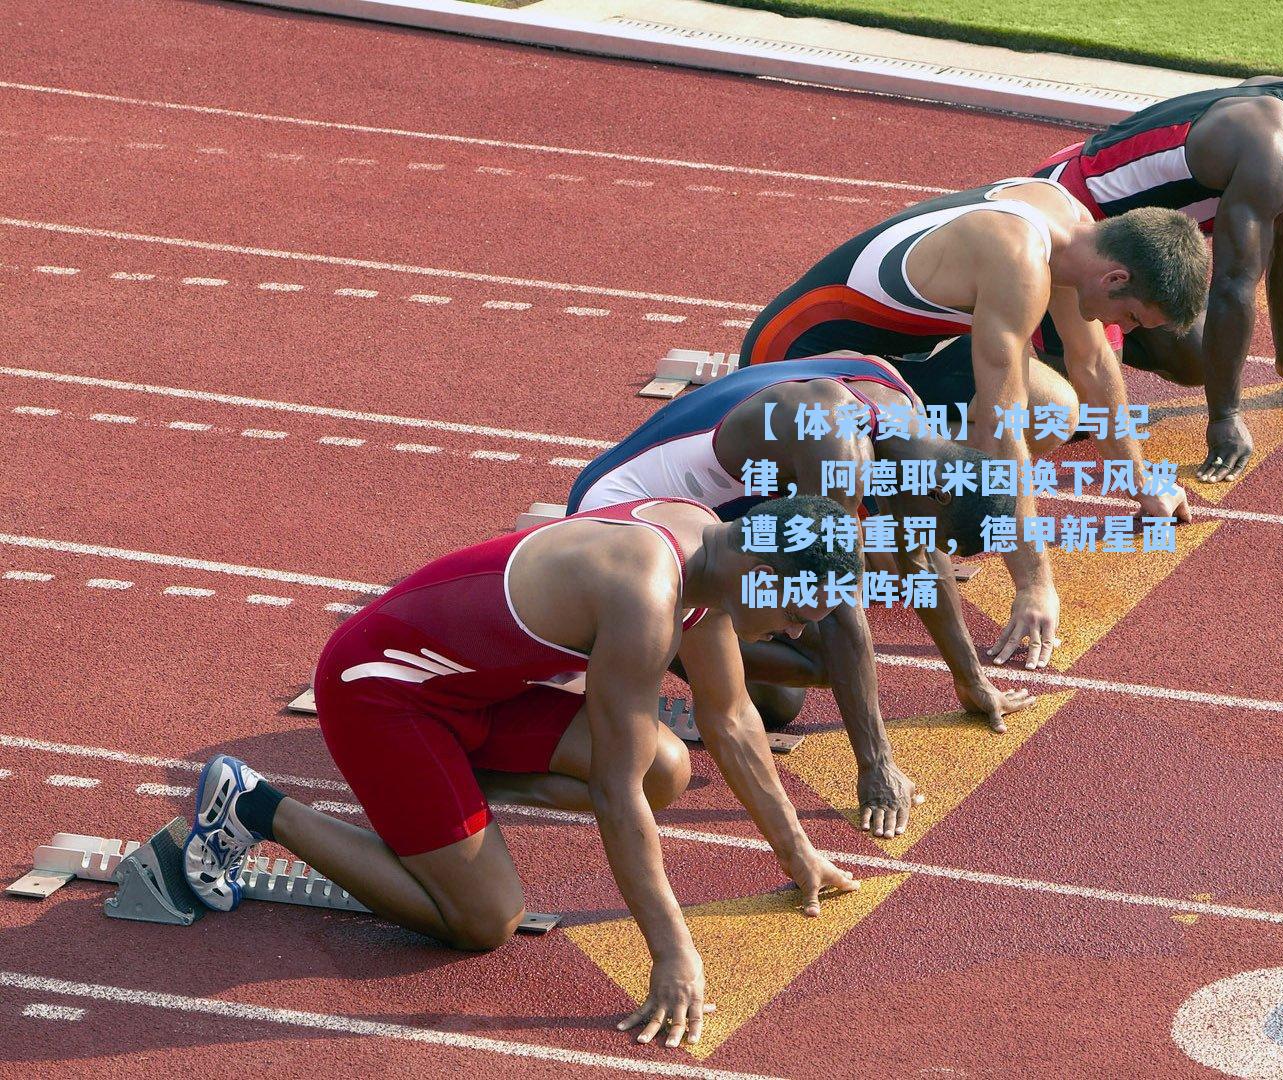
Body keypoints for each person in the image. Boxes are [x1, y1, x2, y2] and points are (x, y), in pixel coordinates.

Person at [182, 495, 862, 1049]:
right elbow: (613, 793)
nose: (797, 635)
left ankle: (435, 807)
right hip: (381, 691)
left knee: (667, 767)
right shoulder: (647, 595)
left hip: (473, 695)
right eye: (800, 612)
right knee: (485, 920)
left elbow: (734, 718)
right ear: (760, 563)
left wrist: (797, 852)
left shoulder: (708, 552)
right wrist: (672, 953)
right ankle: (255, 806)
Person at [739, 176, 1207, 669]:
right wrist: (1033, 583)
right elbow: (999, 426)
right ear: (1115, 279)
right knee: (883, 568)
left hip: (888, 353)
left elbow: (1092, 363)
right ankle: (865, 496)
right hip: (792, 359)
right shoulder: (1019, 260)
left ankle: (890, 488)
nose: (1125, 332)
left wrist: (1140, 481)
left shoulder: (1076, 232)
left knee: (1053, 412)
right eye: (1131, 317)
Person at [567, 352, 1033, 839]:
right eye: (941, 535)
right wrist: (876, 767)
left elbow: (918, 558)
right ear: (940, 491)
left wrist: (972, 682)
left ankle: (681, 643)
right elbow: (837, 607)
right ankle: (642, 646)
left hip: (708, 514)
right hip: (621, 517)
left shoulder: (905, 414)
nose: (929, 546)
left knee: (793, 692)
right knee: (825, 664)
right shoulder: (839, 452)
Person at [1034, 82, 1283, 482]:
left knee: (1197, 356)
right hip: (1070, 218)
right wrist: (1225, 417)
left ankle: (1085, 334)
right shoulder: (1272, 155)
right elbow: (1232, 286)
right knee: (1072, 416)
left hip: (1116, 236)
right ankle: (1019, 329)